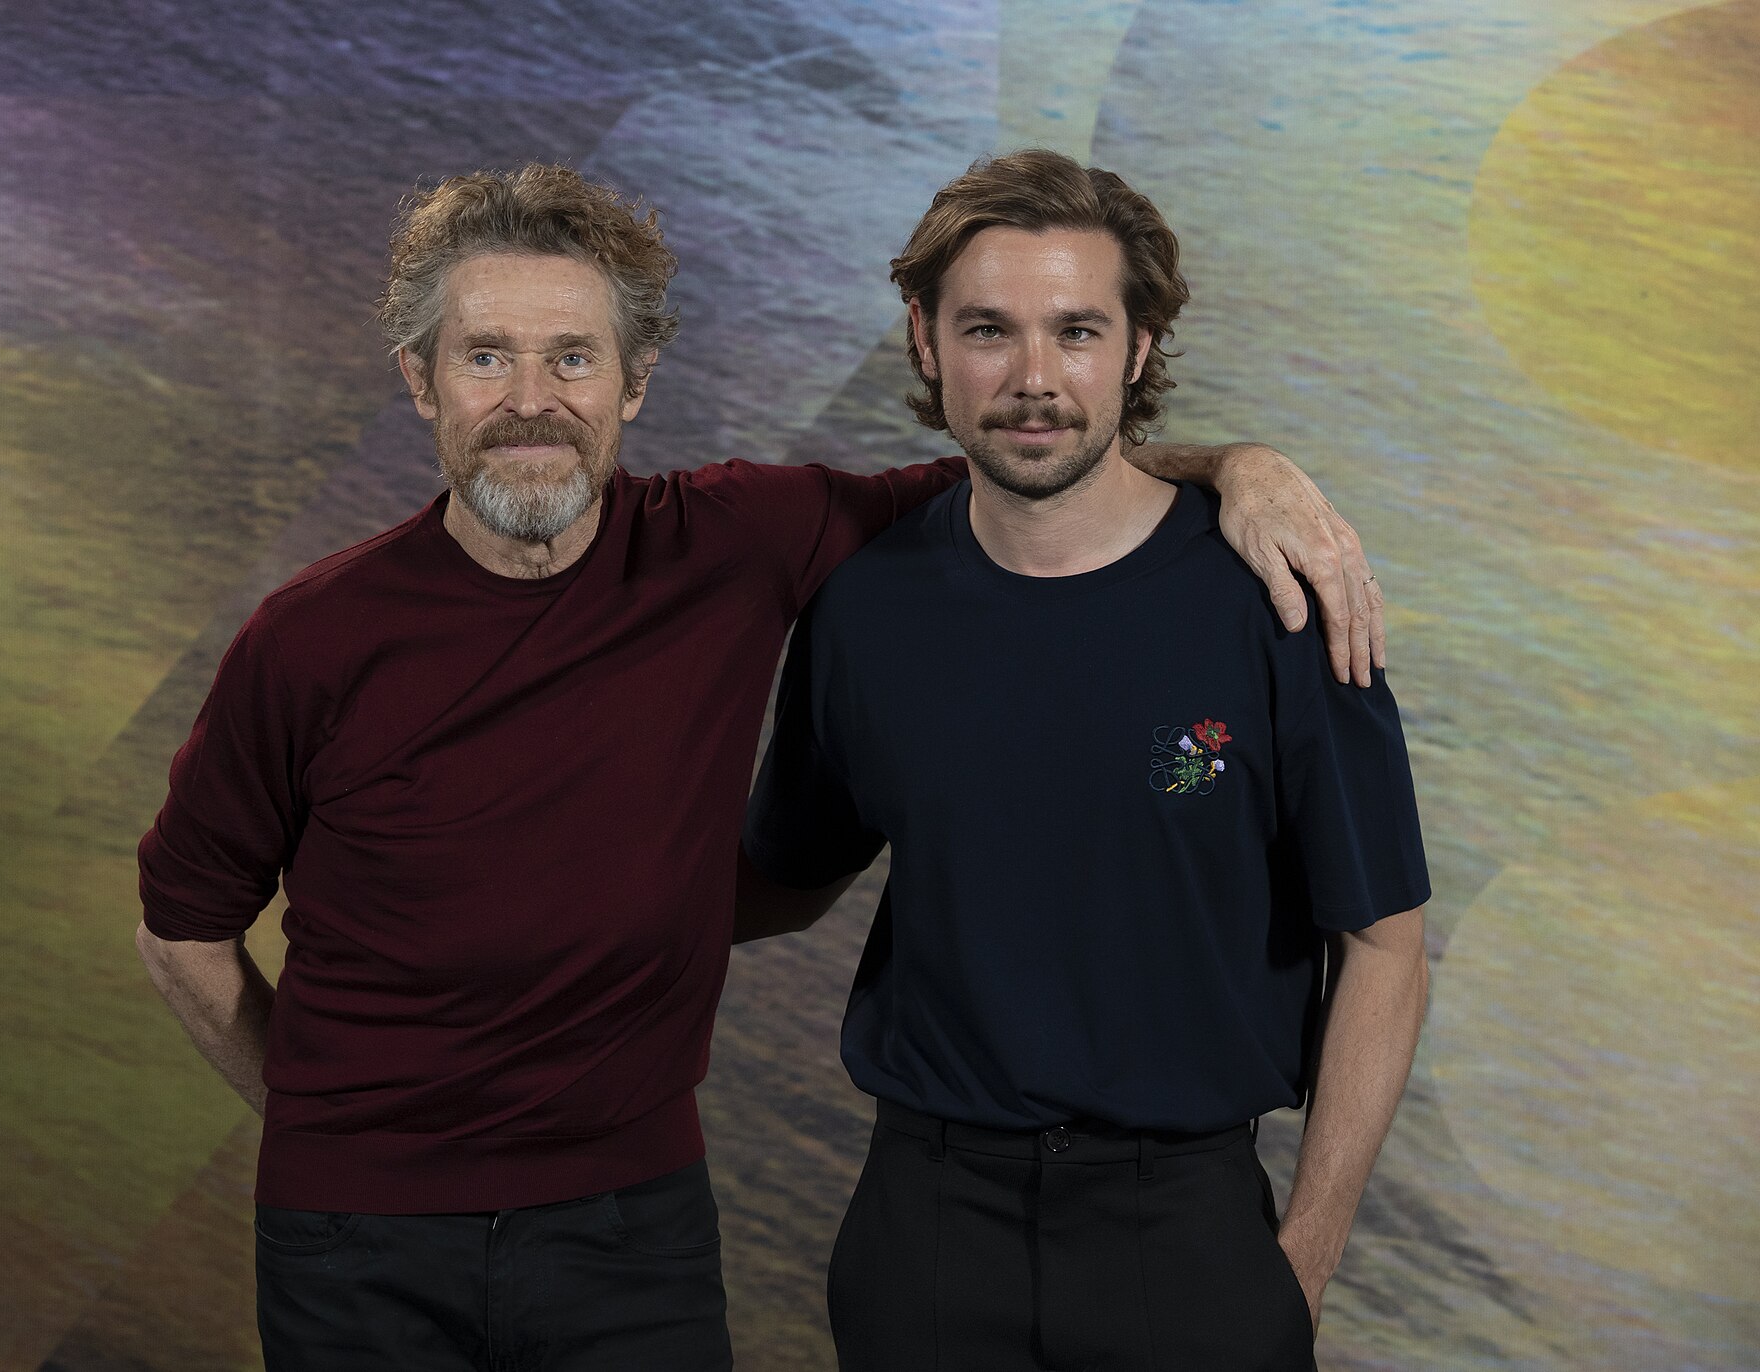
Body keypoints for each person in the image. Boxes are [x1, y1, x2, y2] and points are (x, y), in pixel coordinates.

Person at [134, 160, 1387, 1371]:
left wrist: (1243, 467)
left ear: (634, 382)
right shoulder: (311, 638)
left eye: (573, 356)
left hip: (634, 1227)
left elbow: (1035, 466)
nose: (532, 398)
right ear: (421, 381)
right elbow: (182, 927)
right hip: (359, 1245)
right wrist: (332, 1138)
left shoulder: (741, 545)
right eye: (485, 357)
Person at [737, 149, 1430, 1372]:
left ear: (1139, 348)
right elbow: (785, 876)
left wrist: (1298, 1268)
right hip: (928, 1226)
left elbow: (1384, 944)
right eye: (990, 330)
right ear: (924, 339)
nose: (1035, 378)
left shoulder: (1279, 598)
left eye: (1078, 330)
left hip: (1189, 1228)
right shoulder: (864, 609)